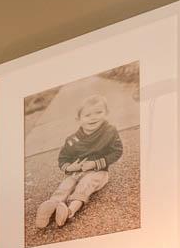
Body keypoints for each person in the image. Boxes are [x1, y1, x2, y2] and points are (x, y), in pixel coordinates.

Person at [35, 95, 124, 229]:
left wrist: (95, 164)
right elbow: (63, 159)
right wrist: (71, 167)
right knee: (66, 184)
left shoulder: (110, 131)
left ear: (106, 113)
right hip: (76, 172)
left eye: (99, 112)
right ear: (79, 119)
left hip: (98, 172)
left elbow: (117, 151)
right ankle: (51, 206)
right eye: (88, 115)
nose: (94, 117)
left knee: (85, 185)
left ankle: (70, 210)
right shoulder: (72, 140)